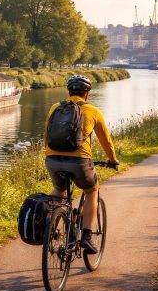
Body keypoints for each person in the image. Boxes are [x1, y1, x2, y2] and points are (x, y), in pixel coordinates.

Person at [43, 74, 119, 254]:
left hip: (52, 160)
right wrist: (112, 159)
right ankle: (86, 236)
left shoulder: (55, 107)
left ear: (68, 92)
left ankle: (51, 224)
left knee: (59, 190)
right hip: (79, 162)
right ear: (87, 94)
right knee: (92, 190)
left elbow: (46, 136)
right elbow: (106, 141)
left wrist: (52, 155)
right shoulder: (93, 111)